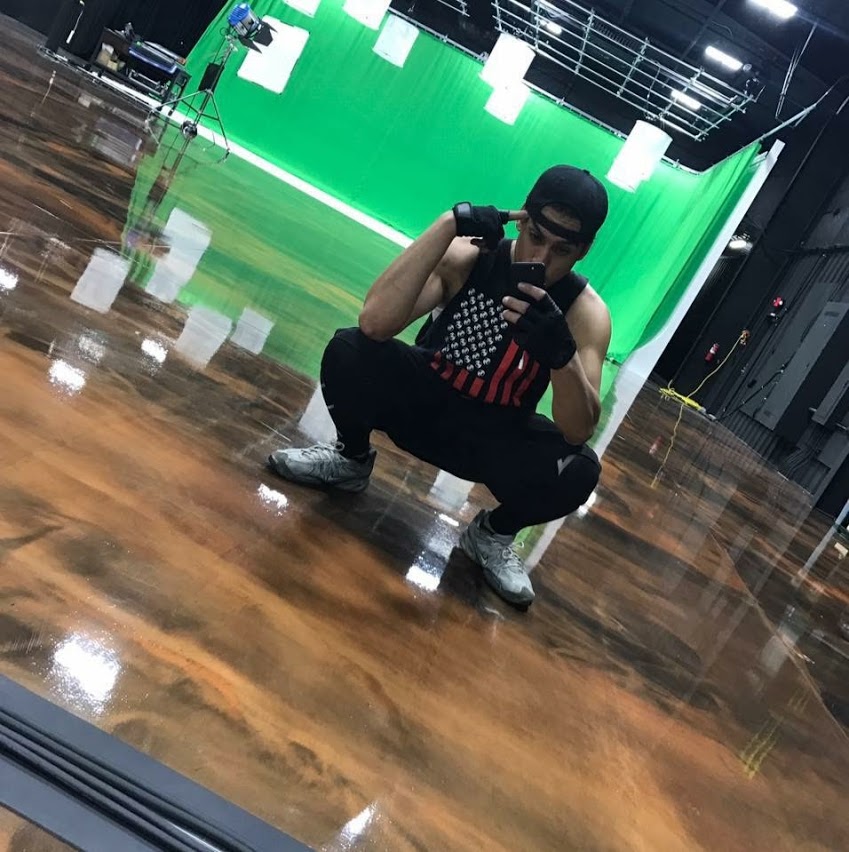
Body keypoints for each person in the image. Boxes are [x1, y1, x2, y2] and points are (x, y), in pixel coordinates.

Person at [269, 166, 611, 607]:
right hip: (423, 403)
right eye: (536, 237)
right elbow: (375, 322)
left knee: (579, 469)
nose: (542, 260)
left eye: (562, 250)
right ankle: (350, 459)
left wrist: (561, 356)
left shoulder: (585, 313)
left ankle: (492, 535)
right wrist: (448, 224)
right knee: (349, 350)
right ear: (522, 219)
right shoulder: (470, 257)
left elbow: (578, 429)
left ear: (584, 251)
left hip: (492, 437)